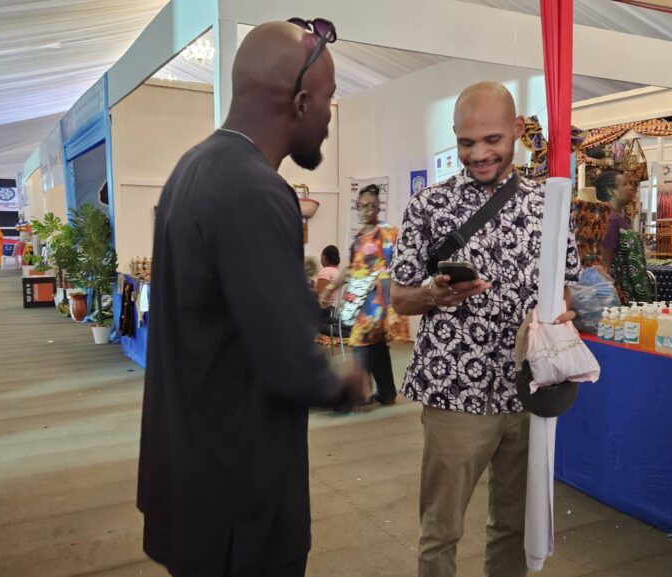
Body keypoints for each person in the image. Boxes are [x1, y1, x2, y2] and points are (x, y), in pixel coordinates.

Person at [137, 19, 366, 577]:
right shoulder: (257, 191)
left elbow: (229, 312)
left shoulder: (192, 169)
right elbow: (289, 360)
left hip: (190, 479)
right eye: (330, 99)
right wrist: (342, 382)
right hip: (240, 500)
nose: (330, 117)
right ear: (300, 101)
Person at [390, 82, 581, 577]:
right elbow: (399, 297)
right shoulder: (427, 207)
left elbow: (565, 292)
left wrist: (562, 313)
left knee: (515, 526)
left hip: (527, 388)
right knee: (441, 528)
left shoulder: (551, 207)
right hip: (455, 392)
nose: (479, 154)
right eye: (466, 143)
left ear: (518, 131)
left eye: (492, 140)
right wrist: (436, 294)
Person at [322, 185, 409, 406]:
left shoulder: (389, 232)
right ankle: (387, 393)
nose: (367, 210)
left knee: (360, 340)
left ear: (378, 207)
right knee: (376, 345)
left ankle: (359, 393)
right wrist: (331, 288)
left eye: (372, 205)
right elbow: (351, 269)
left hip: (380, 300)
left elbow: (403, 263)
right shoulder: (359, 238)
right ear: (357, 208)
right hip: (360, 299)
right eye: (363, 206)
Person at [312, 244, 340, 309]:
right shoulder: (336, 272)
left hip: (317, 309)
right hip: (327, 308)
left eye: (321, 256)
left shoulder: (325, 271)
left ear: (325, 257)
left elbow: (320, 296)